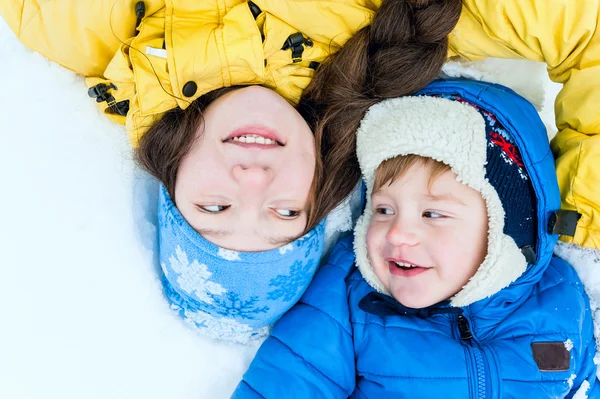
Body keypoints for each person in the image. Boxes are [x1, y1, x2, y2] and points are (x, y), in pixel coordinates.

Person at [2, 0, 598, 342]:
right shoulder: (394, 26)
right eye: (286, 213)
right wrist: (584, 226)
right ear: (325, 186)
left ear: (172, 177)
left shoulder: (83, 33)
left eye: (215, 209)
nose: (253, 179)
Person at [231, 79, 599, 397]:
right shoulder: (348, 297)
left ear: (506, 229)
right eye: (383, 210)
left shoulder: (558, 298)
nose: (398, 233)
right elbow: (291, 379)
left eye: (432, 214)